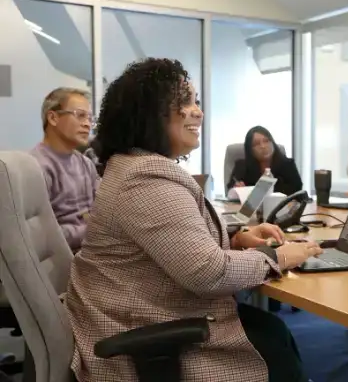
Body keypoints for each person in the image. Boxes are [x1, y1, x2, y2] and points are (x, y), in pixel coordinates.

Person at [64, 58, 322, 382]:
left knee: (273, 330)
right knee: (275, 347)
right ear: (151, 113)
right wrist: (279, 256)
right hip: (139, 329)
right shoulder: (145, 178)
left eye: (196, 101)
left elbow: (176, 240)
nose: (198, 112)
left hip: (134, 311)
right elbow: (209, 273)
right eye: (185, 103)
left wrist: (236, 238)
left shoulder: (133, 166)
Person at [30, 87, 98, 252]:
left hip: (93, 248)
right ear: (53, 118)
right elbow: (42, 235)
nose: (87, 124)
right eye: (80, 115)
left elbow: (104, 208)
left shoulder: (86, 163)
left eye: (90, 118)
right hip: (66, 257)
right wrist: (96, 230)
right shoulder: (36, 168)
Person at [227, 126, 302, 196]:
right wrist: (237, 189)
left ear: (272, 142)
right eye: (256, 144)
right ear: (250, 150)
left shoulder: (287, 165)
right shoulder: (241, 166)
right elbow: (230, 190)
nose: (263, 146)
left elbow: (297, 191)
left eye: (266, 141)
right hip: (249, 206)